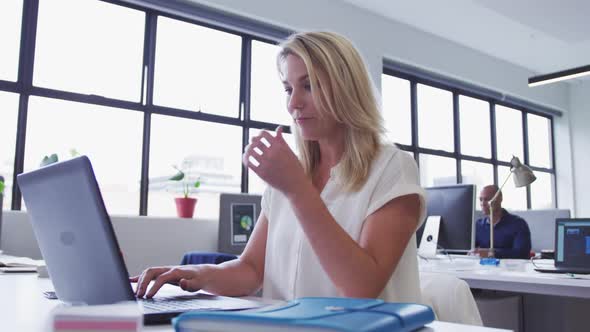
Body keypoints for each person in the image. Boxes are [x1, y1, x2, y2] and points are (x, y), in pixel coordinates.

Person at [132, 31, 426, 303]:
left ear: (347, 89)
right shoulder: (291, 176)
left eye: (309, 86)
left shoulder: (392, 168)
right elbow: (250, 269)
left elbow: (361, 288)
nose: (293, 103)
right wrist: (198, 275)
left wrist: (297, 189)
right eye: (288, 89)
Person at [473, 185, 531, 259]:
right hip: (483, 269)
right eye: (481, 199)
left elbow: (522, 253)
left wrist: (492, 253)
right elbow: (469, 250)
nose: (483, 203)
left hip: (511, 269)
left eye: (487, 199)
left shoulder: (518, 224)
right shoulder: (479, 225)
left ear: (499, 199)